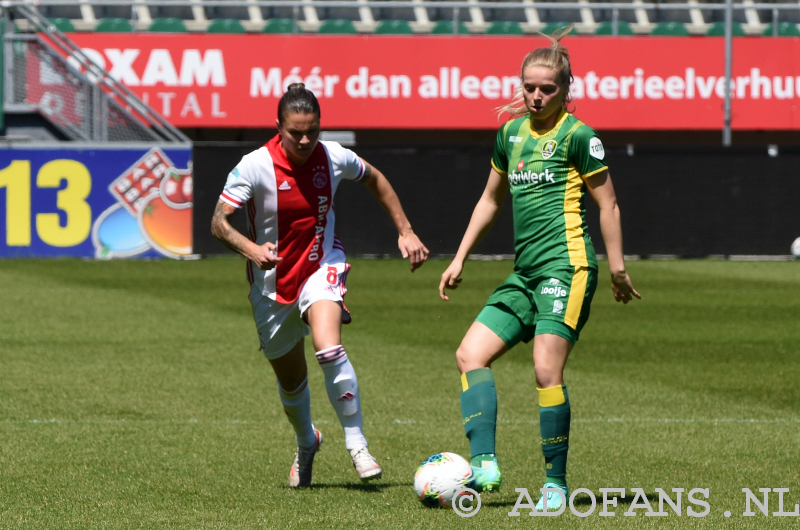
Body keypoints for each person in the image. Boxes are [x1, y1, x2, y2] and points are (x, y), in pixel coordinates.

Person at [438, 28, 641, 510]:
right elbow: (490, 199)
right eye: (529, 86)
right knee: (470, 355)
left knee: (545, 370)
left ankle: (555, 484)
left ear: (566, 90)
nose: (535, 95)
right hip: (525, 274)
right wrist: (461, 256)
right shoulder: (510, 134)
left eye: (547, 88)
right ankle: (484, 464)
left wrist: (616, 268)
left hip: (567, 269)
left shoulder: (579, 136)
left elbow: (607, 205)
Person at [212, 83, 429, 488]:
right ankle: (306, 440)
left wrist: (406, 231)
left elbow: (375, 178)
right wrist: (252, 249)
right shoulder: (254, 165)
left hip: (321, 265)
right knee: (291, 384)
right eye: (296, 132)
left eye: (313, 130)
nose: (306, 140)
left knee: (328, 347)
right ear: (278, 127)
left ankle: (357, 445)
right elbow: (218, 222)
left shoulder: (333, 156)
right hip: (272, 284)